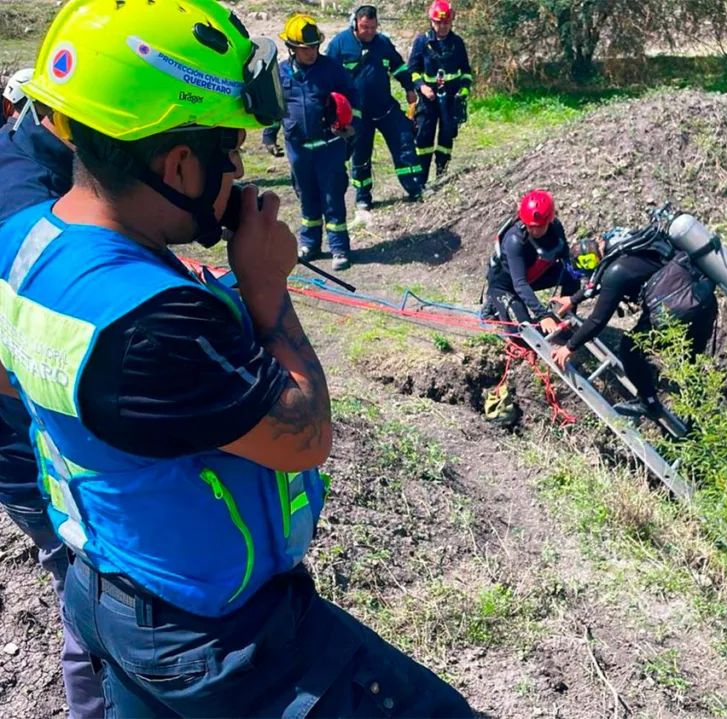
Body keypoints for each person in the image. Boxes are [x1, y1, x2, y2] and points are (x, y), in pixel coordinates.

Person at [1, 1, 473, 716]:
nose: (239, 169)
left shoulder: (24, 244)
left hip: (111, 590)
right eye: (230, 150)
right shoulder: (153, 321)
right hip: (218, 639)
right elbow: (305, 435)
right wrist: (266, 286)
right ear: (179, 163)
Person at [0, 72, 104, 719]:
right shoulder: (27, 201)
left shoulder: (31, 174)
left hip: (29, 453)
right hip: (34, 455)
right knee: (92, 601)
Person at [551, 227, 719, 420]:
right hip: (702, 299)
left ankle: (648, 403)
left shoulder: (615, 272)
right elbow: (600, 283)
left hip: (677, 312)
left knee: (630, 348)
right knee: (692, 362)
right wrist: (573, 299)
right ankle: (700, 423)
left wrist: (569, 347)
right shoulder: (630, 245)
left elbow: (597, 320)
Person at [262, 14, 361, 271]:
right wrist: (269, 136)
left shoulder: (331, 69)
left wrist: (352, 125)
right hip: (298, 149)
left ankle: (339, 248)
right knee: (306, 197)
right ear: (292, 48)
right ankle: (311, 245)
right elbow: (276, 109)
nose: (312, 52)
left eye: (315, 46)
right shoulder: (281, 73)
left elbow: (353, 98)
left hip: (329, 147)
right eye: (306, 49)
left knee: (332, 197)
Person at [326, 5, 424, 210]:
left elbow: (398, 66)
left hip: (385, 107)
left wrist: (408, 87)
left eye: (373, 27)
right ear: (355, 24)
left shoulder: (383, 43)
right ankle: (363, 197)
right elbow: (327, 77)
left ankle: (415, 187)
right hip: (357, 114)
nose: (369, 32)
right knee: (360, 155)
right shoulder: (339, 44)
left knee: (405, 140)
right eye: (364, 27)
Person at [486, 189, 580, 335]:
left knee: (572, 274)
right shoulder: (514, 240)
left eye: (540, 226)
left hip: (534, 276)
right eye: (531, 226)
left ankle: (566, 316)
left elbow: (566, 258)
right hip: (507, 285)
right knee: (523, 331)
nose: (535, 231)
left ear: (549, 220)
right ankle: (494, 303)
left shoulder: (555, 228)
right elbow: (519, 283)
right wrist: (543, 314)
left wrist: (573, 297)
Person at [408, 0, 473, 185]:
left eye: (446, 22)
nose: (442, 26)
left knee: (446, 138)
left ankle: (441, 177)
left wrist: (464, 90)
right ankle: (421, 182)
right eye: (438, 22)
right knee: (424, 138)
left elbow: (466, 71)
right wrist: (422, 86)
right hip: (428, 100)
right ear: (431, 21)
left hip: (450, 99)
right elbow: (412, 69)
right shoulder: (422, 42)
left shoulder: (457, 43)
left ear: (451, 21)